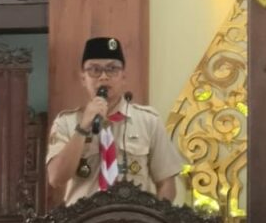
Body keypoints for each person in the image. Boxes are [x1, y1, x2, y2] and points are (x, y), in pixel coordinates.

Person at [46, 36, 181, 205]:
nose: (103, 77)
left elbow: (166, 183)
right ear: (83, 79)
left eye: (112, 69)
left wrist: (154, 219)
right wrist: (82, 128)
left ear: (123, 77)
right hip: (84, 220)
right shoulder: (66, 122)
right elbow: (56, 178)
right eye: (95, 70)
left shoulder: (148, 121)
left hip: (134, 218)